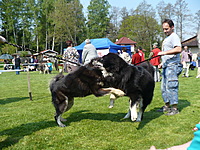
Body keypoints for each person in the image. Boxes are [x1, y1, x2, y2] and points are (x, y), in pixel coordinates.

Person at [157, 19, 182, 116]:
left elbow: (178, 49)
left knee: (171, 86)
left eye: (166, 29)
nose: (164, 31)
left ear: (172, 27)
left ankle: (174, 108)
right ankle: (167, 106)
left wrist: (164, 52)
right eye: (163, 29)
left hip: (173, 65)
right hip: (166, 65)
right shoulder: (167, 38)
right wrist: (162, 63)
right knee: (164, 87)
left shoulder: (174, 36)